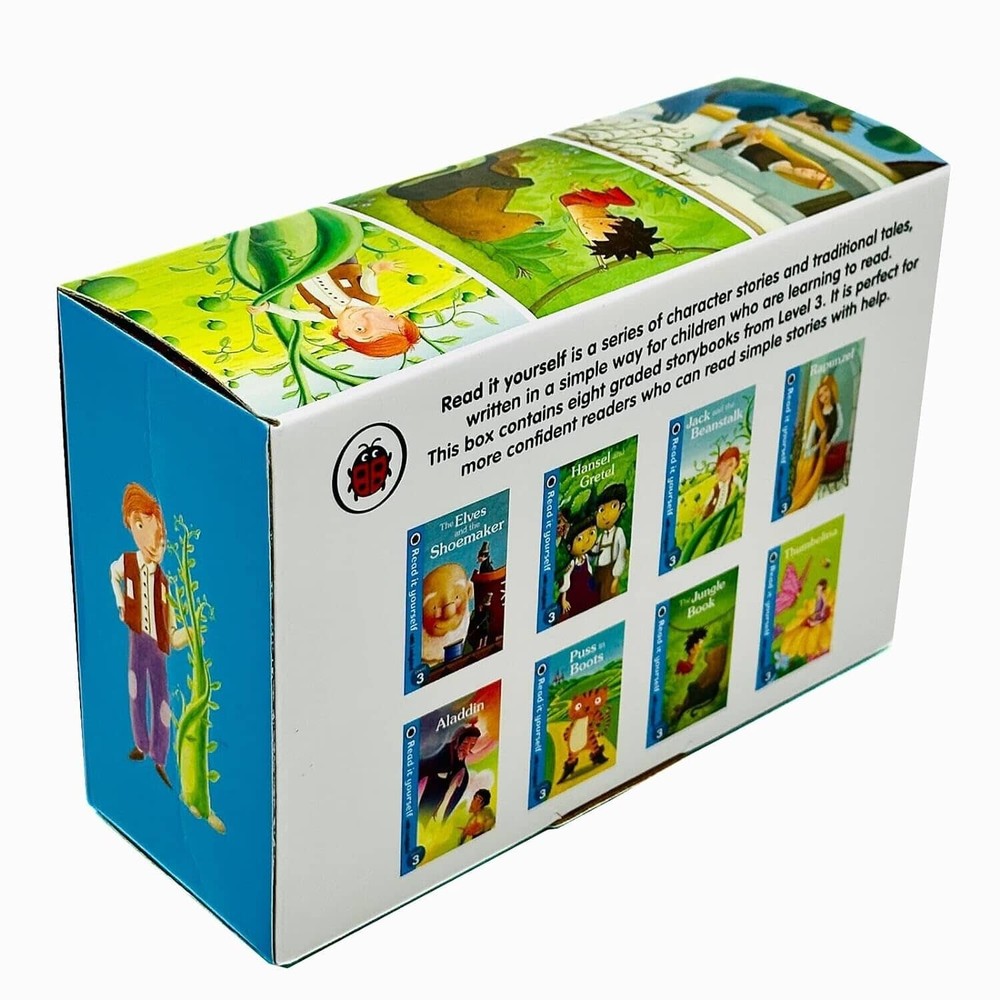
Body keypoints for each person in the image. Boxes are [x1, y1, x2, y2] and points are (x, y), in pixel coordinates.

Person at [109, 484, 189, 787]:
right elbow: (113, 573)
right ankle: (141, 744)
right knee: (135, 688)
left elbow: (171, 627)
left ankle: (160, 755)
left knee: (161, 698)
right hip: (137, 636)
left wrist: (184, 635)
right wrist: (120, 601)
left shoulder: (164, 583)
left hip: (157, 645)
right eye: (139, 525)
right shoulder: (127, 563)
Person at [248, 257, 420, 358]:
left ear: (343, 334)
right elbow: (369, 275)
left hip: (298, 270)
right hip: (337, 261)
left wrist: (268, 307)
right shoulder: (369, 296)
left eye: (361, 329)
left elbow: (296, 315)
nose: (367, 316)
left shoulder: (326, 313)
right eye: (390, 317)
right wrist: (376, 268)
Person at [790, 375, 844, 511]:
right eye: (820, 395)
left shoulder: (836, 408)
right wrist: (819, 445)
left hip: (830, 448)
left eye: (825, 390)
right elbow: (807, 452)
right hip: (818, 455)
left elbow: (839, 426)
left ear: (830, 390)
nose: (824, 395)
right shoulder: (816, 422)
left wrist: (830, 443)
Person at [419, 725, 481, 824]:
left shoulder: (461, 757)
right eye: (465, 743)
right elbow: (427, 764)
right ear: (460, 739)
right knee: (423, 816)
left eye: (472, 744)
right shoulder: (445, 749)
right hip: (434, 787)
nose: (468, 747)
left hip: (445, 792)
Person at [779, 579, 835, 661]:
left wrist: (820, 615)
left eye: (818, 589)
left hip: (822, 617)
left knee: (814, 626)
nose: (817, 591)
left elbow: (824, 608)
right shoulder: (817, 599)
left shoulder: (824, 598)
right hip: (817, 617)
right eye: (816, 589)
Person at [591, 483, 629, 602]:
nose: (605, 515)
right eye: (601, 510)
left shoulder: (618, 533)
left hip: (610, 572)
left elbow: (621, 555)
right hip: (598, 572)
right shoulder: (600, 537)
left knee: (608, 598)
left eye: (613, 506)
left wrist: (616, 577)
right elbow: (593, 554)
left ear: (621, 507)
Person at [559, 514, 600, 619]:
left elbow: (589, 570)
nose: (587, 541)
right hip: (575, 593)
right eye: (580, 539)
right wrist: (564, 600)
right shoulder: (572, 563)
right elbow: (566, 582)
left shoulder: (585, 557)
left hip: (587, 591)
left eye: (591, 533)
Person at [702, 447, 743, 520]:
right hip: (710, 515)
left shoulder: (734, 480)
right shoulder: (717, 487)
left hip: (722, 516)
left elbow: (740, 487)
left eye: (730, 465)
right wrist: (704, 506)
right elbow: (710, 498)